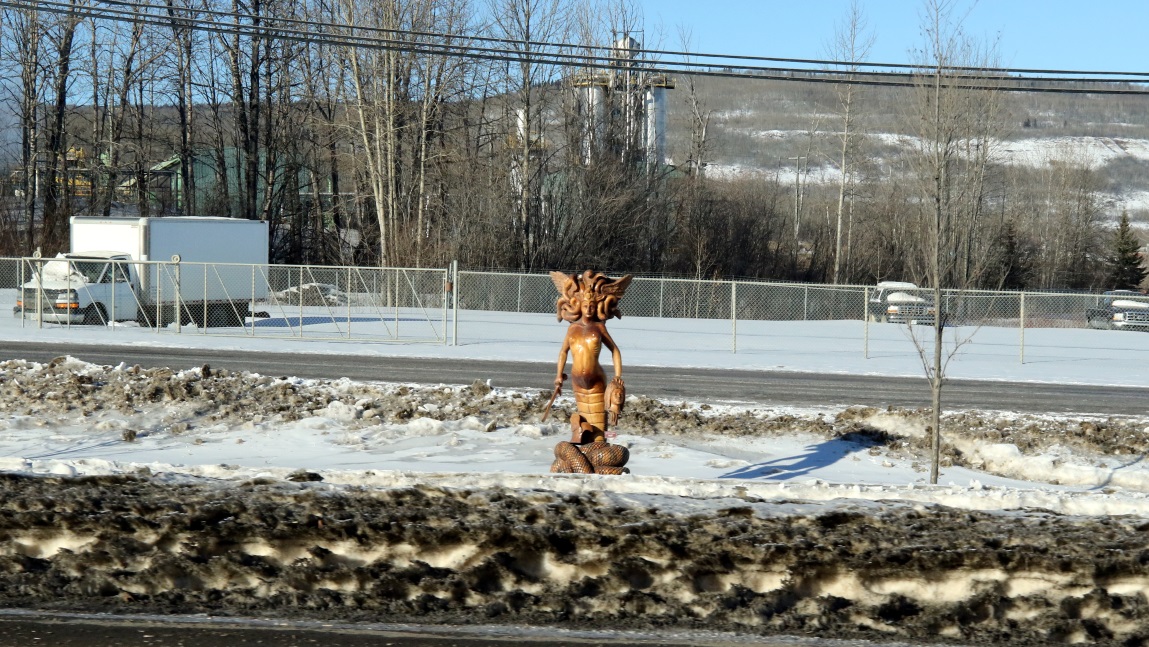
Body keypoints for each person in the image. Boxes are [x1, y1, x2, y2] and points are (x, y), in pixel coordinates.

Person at [547, 270, 632, 475]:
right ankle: (588, 460)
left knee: (598, 426)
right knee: (583, 424)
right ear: (579, 305)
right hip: (577, 382)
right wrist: (559, 375)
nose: (589, 308)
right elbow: (563, 352)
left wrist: (617, 377)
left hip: (596, 382)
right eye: (585, 305)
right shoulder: (572, 329)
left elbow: (615, 351)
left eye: (592, 306)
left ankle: (596, 460)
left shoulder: (599, 327)